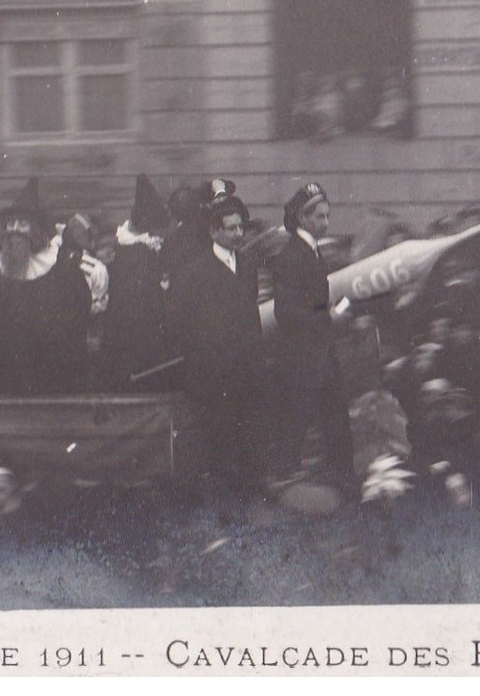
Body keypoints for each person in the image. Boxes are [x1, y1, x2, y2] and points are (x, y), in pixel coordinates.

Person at [0, 178, 91, 395]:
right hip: (2, 376)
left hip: (50, 378)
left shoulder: (62, 269)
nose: (14, 230)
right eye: (10, 223)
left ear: (36, 230)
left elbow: (80, 315)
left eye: (22, 223)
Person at [166, 189, 264, 492]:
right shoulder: (194, 273)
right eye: (231, 228)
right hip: (211, 377)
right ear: (213, 231)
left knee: (245, 438)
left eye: (240, 227)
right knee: (217, 444)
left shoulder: (246, 266)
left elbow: (251, 315)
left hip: (244, 371)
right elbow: (181, 325)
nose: (238, 234)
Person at [267, 182, 356, 497]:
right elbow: (286, 312)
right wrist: (327, 318)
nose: (326, 223)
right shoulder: (293, 255)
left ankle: (341, 481)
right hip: (303, 360)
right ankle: (289, 485)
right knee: (299, 424)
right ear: (303, 218)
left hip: (318, 357)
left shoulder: (310, 252)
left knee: (331, 421)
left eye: (327, 216)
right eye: (319, 216)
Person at [102, 174, 179, 390]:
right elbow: (141, 304)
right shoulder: (140, 255)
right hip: (136, 344)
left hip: (123, 339)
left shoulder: (126, 250)